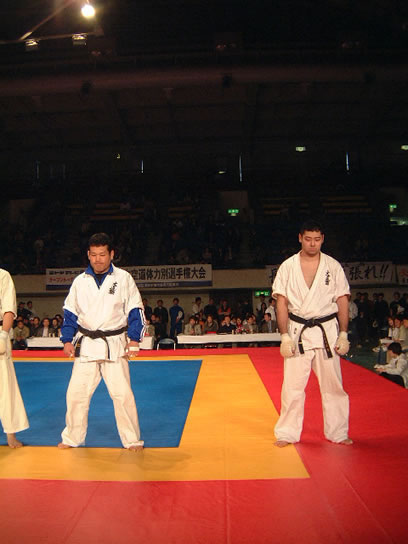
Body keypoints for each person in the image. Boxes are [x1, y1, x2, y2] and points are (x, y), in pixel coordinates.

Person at [58, 233, 146, 451]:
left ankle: (132, 439)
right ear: (88, 255)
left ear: (111, 254)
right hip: (86, 343)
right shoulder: (80, 282)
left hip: (114, 342)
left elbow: (136, 310)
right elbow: (70, 314)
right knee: (76, 394)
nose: (98, 259)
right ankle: (72, 437)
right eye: (94, 255)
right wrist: (67, 339)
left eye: (102, 254)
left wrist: (134, 339)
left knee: (122, 395)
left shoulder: (123, 278)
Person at [272, 220, 352, 447]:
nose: (312, 244)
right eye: (308, 239)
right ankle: (287, 433)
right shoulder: (288, 266)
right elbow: (281, 302)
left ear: (322, 239)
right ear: (300, 238)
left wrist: (344, 333)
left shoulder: (332, 266)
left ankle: (338, 432)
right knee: (293, 387)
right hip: (298, 331)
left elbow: (342, 300)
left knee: (334, 386)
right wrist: (284, 336)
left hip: (327, 331)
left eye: (317, 239)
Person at [0, 268, 29, 447]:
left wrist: (3, 335)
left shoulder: (2, 276)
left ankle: (11, 434)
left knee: (5, 386)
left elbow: (9, 310)